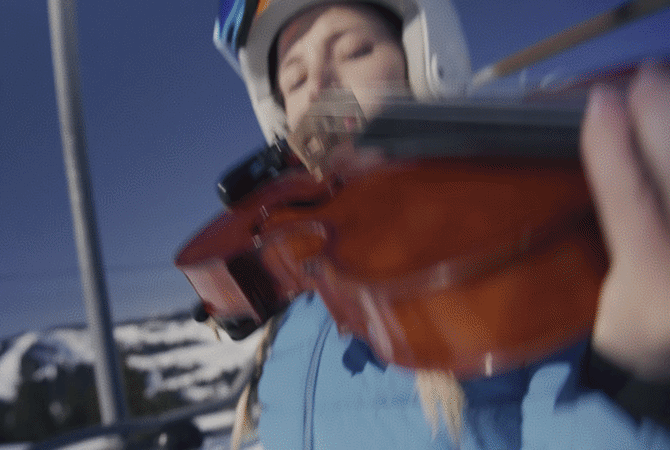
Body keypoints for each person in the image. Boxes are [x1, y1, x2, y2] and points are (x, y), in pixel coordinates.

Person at [208, 0, 670, 448]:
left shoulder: (498, 252)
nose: (319, 89)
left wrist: (632, 380)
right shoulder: (291, 310)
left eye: (354, 52)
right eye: (295, 79)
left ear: (422, 64)